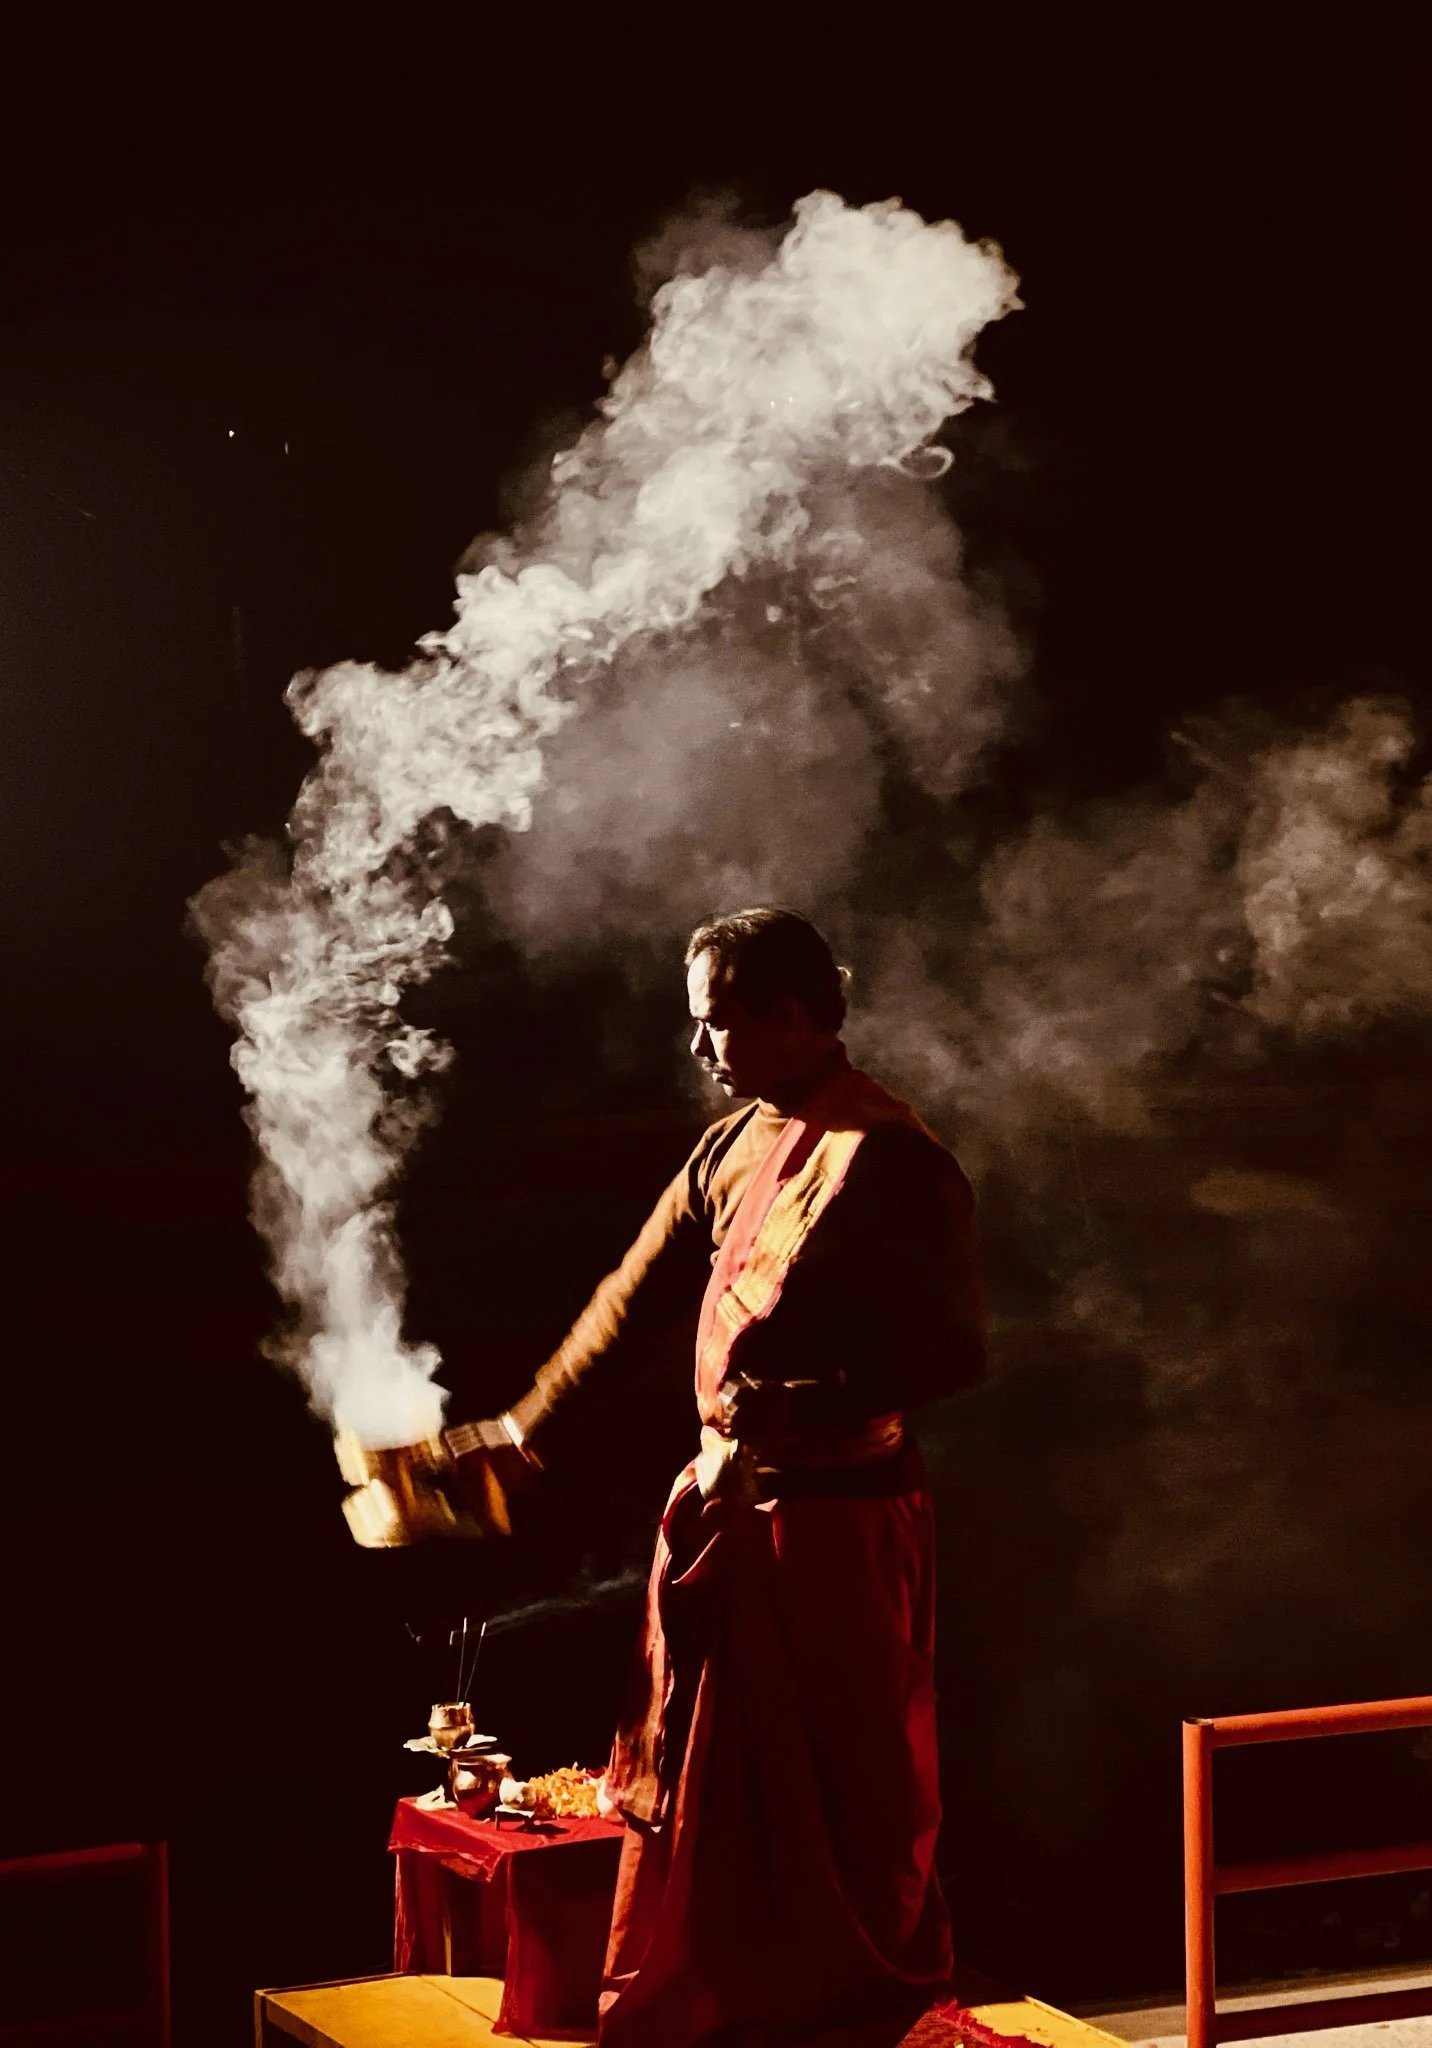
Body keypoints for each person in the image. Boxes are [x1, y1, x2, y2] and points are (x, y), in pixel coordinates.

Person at [444, 907, 986, 2048]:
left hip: (842, 1528)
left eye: (716, 1024)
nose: (698, 1048)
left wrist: (796, 1401)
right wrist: (522, 1426)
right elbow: (630, 1294)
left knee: (850, 1787)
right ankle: (733, 2004)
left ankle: (850, 2009)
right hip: (735, 1515)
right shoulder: (731, 1143)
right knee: (715, 1786)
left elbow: (950, 1356)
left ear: (790, 1015)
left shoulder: (887, 1155)